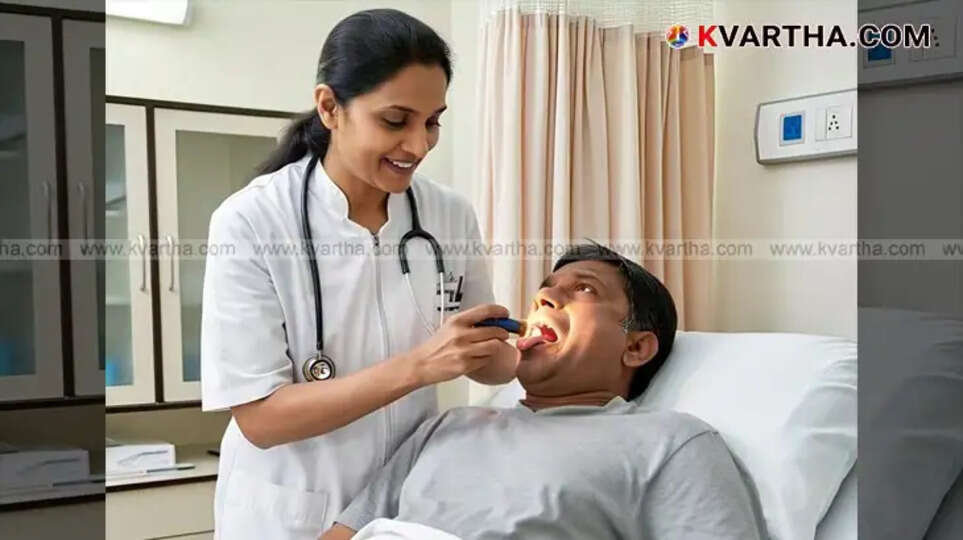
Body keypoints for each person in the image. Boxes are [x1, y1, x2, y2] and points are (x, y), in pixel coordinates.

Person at [200, 9, 517, 539]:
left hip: (410, 506)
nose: (418, 146)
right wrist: (420, 366)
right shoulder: (252, 220)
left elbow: (487, 363)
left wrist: (527, 352)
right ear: (330, 108)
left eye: (433, 121)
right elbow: (261, 419)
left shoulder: (448, 215)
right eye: (395, 121)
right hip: (292, 512)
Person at [321, 244, 763, 540]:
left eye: (583, 289)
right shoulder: (449, 426)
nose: (545, 298)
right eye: (545, 291)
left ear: (635, 346)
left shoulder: (670, 442)